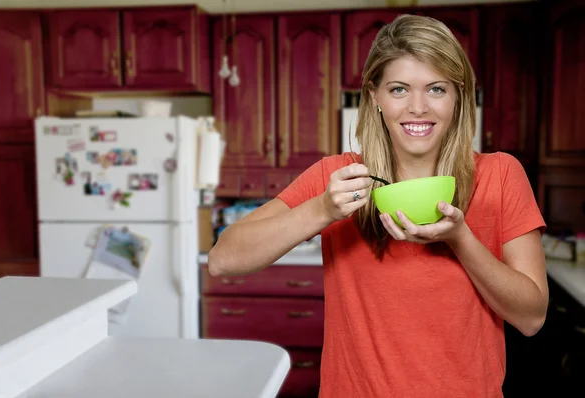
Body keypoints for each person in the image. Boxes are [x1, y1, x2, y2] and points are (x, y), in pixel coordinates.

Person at [208, 14, 548, 398]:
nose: (418, 107)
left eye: (436, 89)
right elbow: (223, 259)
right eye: (399, 89)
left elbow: (532, 317)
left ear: (459, 95)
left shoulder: (500, 175)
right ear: (375, 96)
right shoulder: (338, 177)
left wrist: (460, 239)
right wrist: (322, 210)